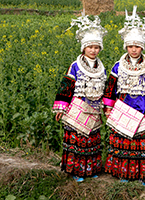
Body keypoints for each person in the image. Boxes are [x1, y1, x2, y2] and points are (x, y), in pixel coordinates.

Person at [103, 6, 145, 184]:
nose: (134, 50)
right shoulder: (118, 66)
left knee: (140, 143)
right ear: (126, 46)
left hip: (142, 110)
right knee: (122, 141)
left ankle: (140, 175)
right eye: (131, 46)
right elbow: (110, 87)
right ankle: (122, 173)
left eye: (137, 47)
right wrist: (108, 108)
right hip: (122, 108)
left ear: (142, 47)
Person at [52, 15, 108, 182]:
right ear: (83, 48)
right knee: (78, 140)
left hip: (94, 109)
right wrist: (61, 107)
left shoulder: (101, 67)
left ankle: (91, 169)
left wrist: (106, 107)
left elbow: (105, 89)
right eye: (90, 47)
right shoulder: (75, 66)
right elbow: (66, 86)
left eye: (96, 47)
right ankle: (76, 170)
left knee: (92, 140)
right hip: (77, 108)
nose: (93, 50)